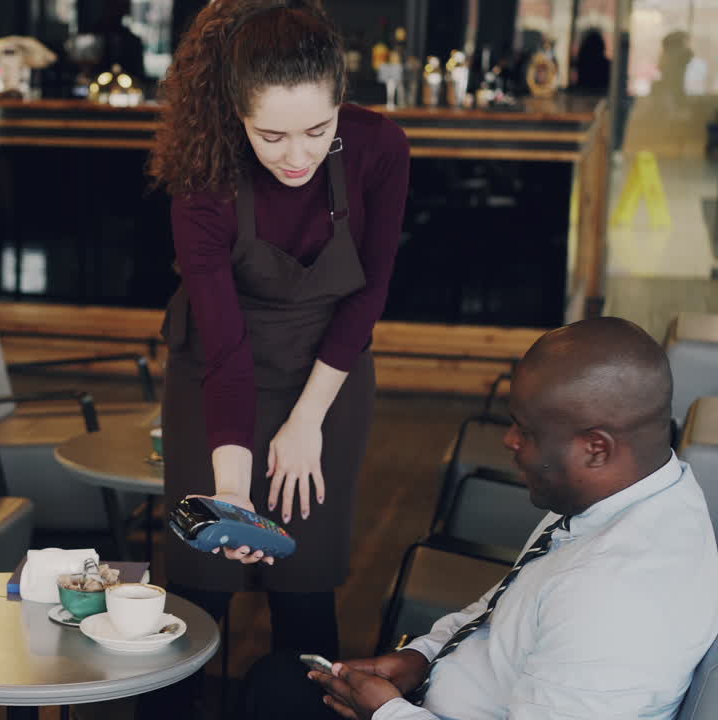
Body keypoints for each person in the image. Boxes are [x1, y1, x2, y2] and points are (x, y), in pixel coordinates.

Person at [248, 316, 718, 719]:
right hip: (433, 695)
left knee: (274, 690)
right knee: (279, 680)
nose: (510, 441)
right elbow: (501, 609)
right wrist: (420, 657)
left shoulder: (616, 599)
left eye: (527, 431)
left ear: (596, 448)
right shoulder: (627, 496)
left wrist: (387, 711)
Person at [149, 0, 410, 697]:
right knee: (200, 584)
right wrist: (231, 490)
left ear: (341, 102)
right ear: (236, 113)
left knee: (304, 581)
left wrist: (306, 420)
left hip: (332, 366)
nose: (296, 156)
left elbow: (367, 297)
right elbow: (224, 348)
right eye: (271, 136)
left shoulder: (381, 150)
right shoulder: (203, 176)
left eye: (316, 131)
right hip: (216, 367)